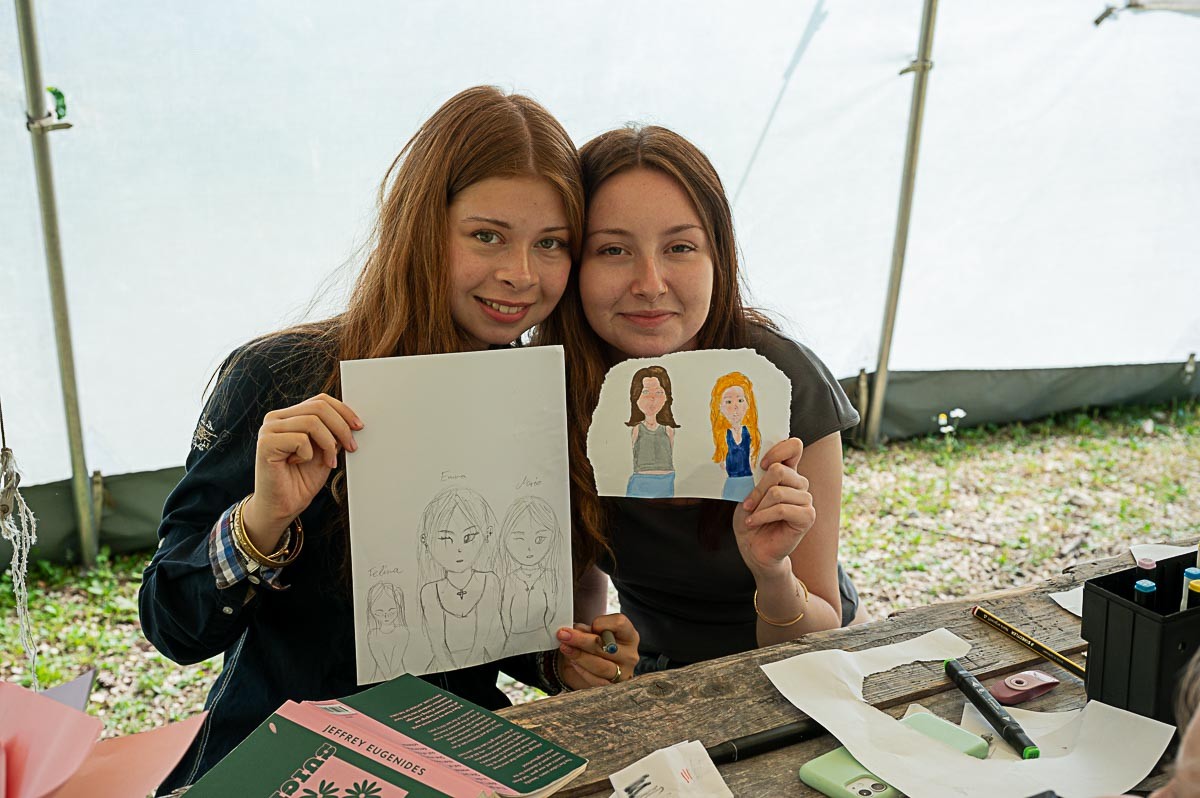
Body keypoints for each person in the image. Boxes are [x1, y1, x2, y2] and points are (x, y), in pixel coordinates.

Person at [138, 86, 638, 792]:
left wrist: (565, 660)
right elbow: (173, 627)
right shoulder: (278, 379)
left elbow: (481, 622)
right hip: (277, 754)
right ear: (421, 226)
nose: (520, 274)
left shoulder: (544, 394)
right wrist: (262, 519)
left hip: (460, 753)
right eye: (486, 235)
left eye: (550, 243)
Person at [539, 124, 860, 676]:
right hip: (654, 668)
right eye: (613, 250)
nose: (650, 283)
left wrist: (772, 571)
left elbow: (820, 631)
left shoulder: (785, 380)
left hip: (801, 655)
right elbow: (583, 595)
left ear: (719, 258)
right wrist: (588, 658)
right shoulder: (558, 390)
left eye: (680, 248)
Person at [625, 365, 679, 499]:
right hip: (640, 481)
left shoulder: (668, 430)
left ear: (666, 397)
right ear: (635, 397)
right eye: (645, 392)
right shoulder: (636, 429)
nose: (652, 398)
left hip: (666, 480)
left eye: (659, 392)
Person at [710, 371, 761, 503]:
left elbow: (754, 460)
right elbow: (721, 463)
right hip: (731, 484)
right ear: (720, 407)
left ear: (748, 404)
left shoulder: (750, 433)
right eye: (728, 402)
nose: (735, 407)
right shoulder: (722, 434)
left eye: (740, 400)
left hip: (749, 482)